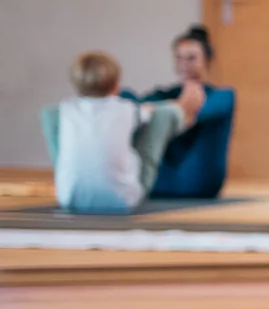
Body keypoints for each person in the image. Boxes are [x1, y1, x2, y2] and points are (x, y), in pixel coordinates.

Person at [42, 51, 202, 213]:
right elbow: (151, 114)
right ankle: (186, 117)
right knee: (164, 114)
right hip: (123, 199)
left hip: (69, 198)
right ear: (116, 84)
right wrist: (175, 109)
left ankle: (72, 178)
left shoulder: (65, 110)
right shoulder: (127, 109)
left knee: (51, 117)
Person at [132, 26, 235, 199]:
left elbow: (196, 113)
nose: (184, 65)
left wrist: (172, 111)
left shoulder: (222, 96)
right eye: (179, 58)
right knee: (128, 99)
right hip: (160, 180)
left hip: (199, 182)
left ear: (207, 61)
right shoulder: (162, 95)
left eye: (192, 59)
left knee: (163, 114)